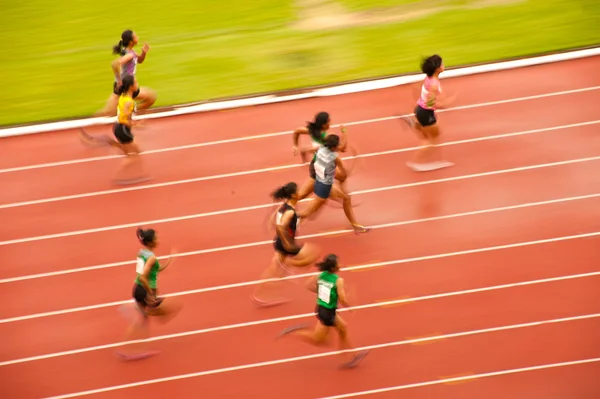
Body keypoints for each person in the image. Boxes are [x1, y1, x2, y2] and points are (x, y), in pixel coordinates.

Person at [279, 254, 369, 368]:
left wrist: (322, 291)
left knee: (342, 329)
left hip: (321, 308)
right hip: (328, 313)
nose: (340, 265)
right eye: (338, 263)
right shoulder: (338, 280)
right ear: (332, 268)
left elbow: (307, 285)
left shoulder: (320, 276)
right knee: (319, 340)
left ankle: (350, 355)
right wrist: (350, 306)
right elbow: (342, 299)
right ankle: (294, 332)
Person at [115, 227, 182, 361]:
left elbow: (153, 270)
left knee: (143, 320)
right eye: (157, 238)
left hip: (138, 289)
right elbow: (143, 277)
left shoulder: (142, 253)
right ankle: (129, 348)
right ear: (151, 242)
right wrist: (150, 293)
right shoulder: (151, 258)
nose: (159, 240)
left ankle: (129, 349)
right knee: (169, 309)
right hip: (144, 291)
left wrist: (170, 260)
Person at [252, 182, 321, 306]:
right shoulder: (289, 212)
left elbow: (274, 221)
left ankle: (258, 295)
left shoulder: (283, 207)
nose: (300, 193)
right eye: (298, 191)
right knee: (314, 253)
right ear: (294, 195)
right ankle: (289, 266)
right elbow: (281, 225)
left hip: (279, 242)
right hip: (286, 245)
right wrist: (286, 242)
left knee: (274, 271)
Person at [297, 134, 371, 234]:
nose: (338, 147)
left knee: (345, 199)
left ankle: (355, 226)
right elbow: (343, 176)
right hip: (324, 188)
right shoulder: (335, 158)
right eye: (337, 145)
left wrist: (304, 162)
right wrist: (354, 167)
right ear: (333, 147)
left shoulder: (320, 148)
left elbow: (304, 150)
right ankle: (286, 217)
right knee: (306, 213)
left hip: (316, 178)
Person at [401, 54, 456, 172]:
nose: (443, 65)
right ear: (437, 68)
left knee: (428, 135)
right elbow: (431, 104)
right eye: (442, 63)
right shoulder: (434, 84)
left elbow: (416, 87)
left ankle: (414, 124)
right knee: (432, 139)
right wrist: (447, 104)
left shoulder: (428, 78)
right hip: (426, 113)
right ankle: (415, 162)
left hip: (420, 109)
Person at [96, 29, 157, 118]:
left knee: (109, 112)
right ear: (131, 42)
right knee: (151, 98)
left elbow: (139, 60)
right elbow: (114, 64)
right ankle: (130, 111)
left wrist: (144, 53)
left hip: (125, 85)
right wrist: (119, 80)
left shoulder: (130, 52)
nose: (138, 37)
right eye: (136, 36)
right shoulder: (130, 55)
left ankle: (128, 111)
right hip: (127, 86)